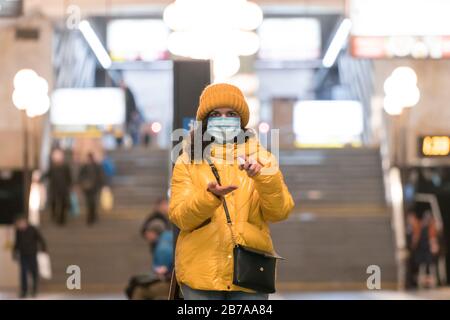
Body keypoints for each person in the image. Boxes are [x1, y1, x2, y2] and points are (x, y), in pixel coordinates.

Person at [169, 83, 295, 300]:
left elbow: (280, 212)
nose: (223, 119)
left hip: (250, 274)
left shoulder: (263, 159)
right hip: (200, 275)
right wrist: (209, 198)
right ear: (206, 121)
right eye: (216, 114)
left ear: (241, 120)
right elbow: (180, 217)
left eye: (231, 113)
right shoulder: (188, 160)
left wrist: (263, 177)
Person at [13, 216, 47, 298]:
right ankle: (24, 291)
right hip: (23, 255)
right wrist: (14, 252)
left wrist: (44, 248)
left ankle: (34, 290)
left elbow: (40, 239)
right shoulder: (18, 231)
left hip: (32, 254)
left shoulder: (33, 229)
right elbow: (17, 242)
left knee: (34, 272)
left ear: (25, 222)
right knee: (23, 273)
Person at [41, 148, 72, 226]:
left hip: (63, 189)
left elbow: (69, 178)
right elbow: (47, 175)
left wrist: (70, 186)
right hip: (54, 189)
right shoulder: (53, 167)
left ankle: (61, 219)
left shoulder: (65, 167)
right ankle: (55, 216)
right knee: (54, 202)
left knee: (63, 204)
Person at [78, 153, 104, 226]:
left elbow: (101, 176)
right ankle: (90, 217)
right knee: (89, 202)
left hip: (94, 188)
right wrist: (82, 183)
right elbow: (80, 176)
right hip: (87, 188)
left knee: (93, 202)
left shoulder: (97, 166)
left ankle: (93, 215)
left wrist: (101, 185)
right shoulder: (84, 166)